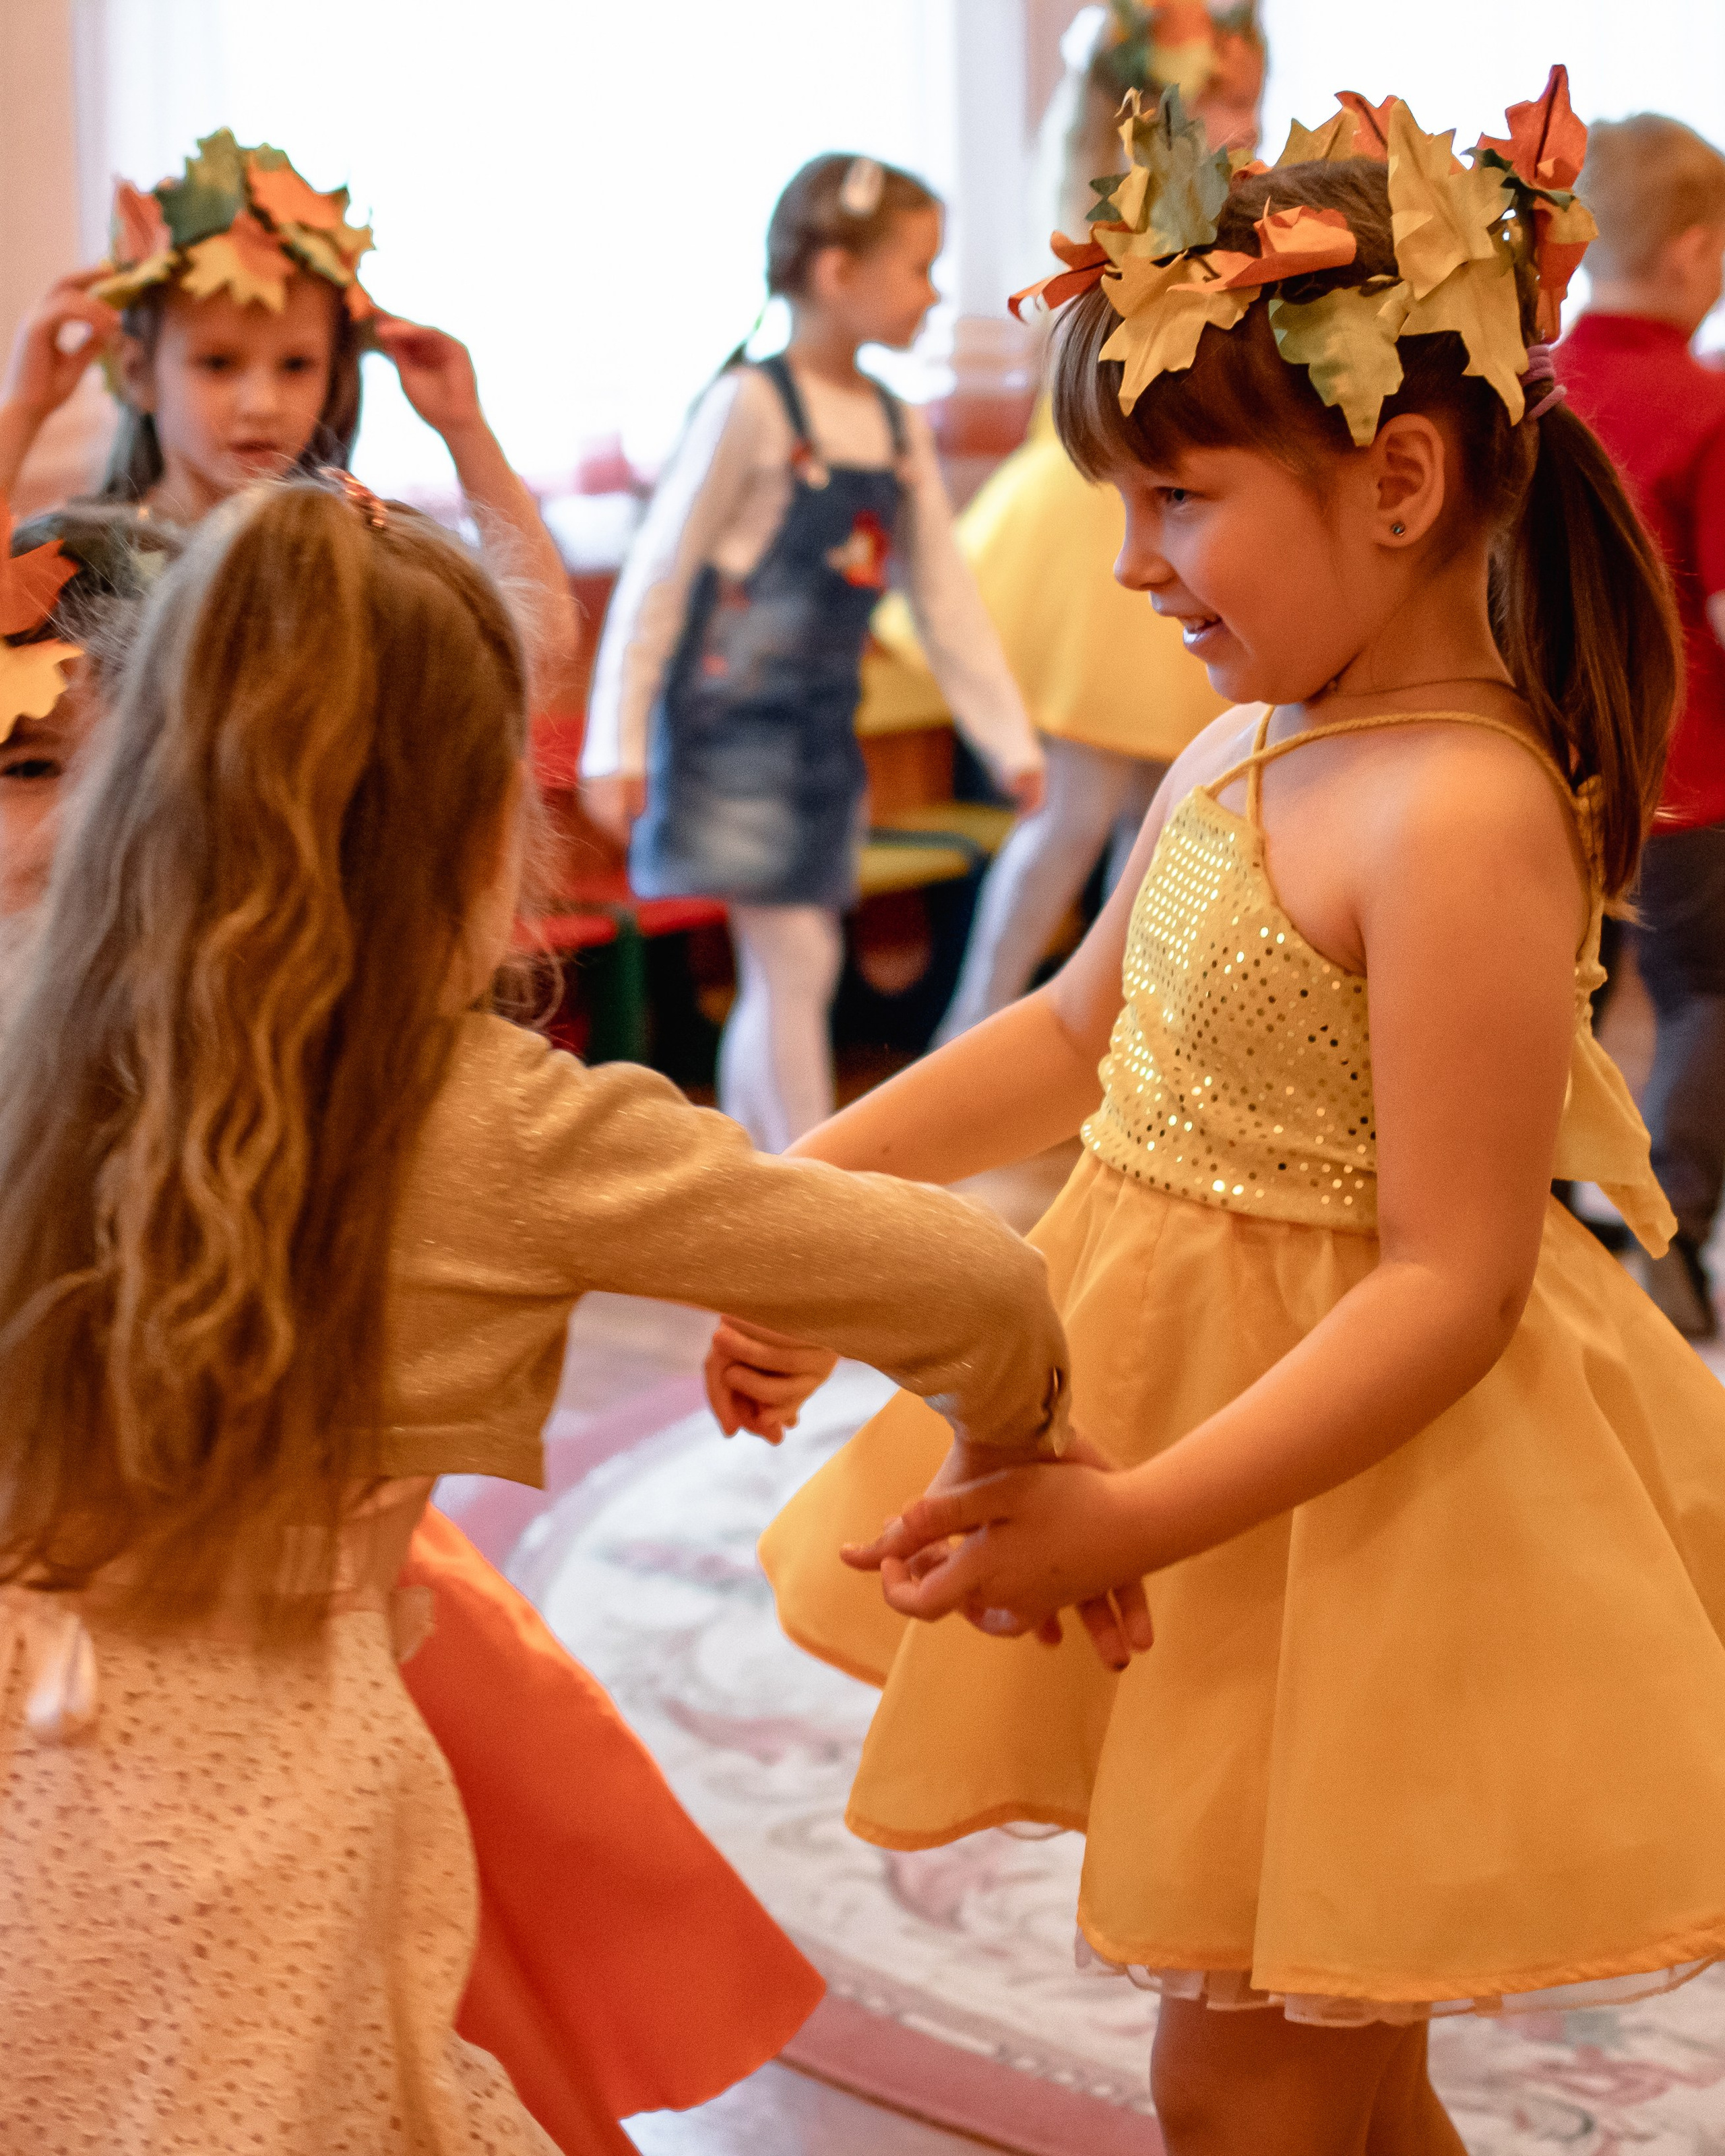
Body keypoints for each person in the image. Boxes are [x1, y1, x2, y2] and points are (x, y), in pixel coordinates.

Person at [725, 73, 1725, 2155]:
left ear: (1397, 477)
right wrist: (795, 1211)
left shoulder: (1453, 812)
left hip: (1338, 1508)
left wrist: (1132, 1514)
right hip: (1214, 1465)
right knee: (1316, 2068)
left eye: (1176, 502)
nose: (1131, 563)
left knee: (1250, 2076)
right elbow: (1071, 1036)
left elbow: (1449, 1282)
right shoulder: (1257, 741)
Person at [0, 478, 1074, 2150]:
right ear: (475, 821)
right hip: (274, 1800)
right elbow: (972, 1281)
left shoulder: (33, 1043)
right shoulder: (504, 1123)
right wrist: (1014, 1443)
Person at [579, 153, 1044, 1152]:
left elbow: (945, 597)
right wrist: (611, 747)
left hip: (824, 742)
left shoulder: (892, 424)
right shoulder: (749, 407)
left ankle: (768, 1171)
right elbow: (659, 581)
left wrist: (1006, 737)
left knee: (794, 963)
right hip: (731, 737)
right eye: (919, 269)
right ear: (838, 274)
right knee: (794, 957)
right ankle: (816, 1178)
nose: (932, 295)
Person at [861, 1, 1261, 1047]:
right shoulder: (1132, 219)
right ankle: (975, 1033)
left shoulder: (1217, 220)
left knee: (1162, 827)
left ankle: (1132, 1050)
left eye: (1252, 102)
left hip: (1171, 509)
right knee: (1079, 816)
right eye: (1227, 103)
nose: (1246, 124)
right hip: (1096, 528)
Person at [0, 127, 577, 705]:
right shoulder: (79, 558)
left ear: (334, 373)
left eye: (297, 364)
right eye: (218, 363)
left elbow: (540, 644)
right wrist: (21, 413)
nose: (262, 404)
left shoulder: (360, 560)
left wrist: (464, 428)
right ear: (137, 373)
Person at [1558, 113, 1725, 1338]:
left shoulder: (1524, 389)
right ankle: (1671, 1216)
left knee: (1552, 1007)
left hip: (1540, 771)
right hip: (1686, 778)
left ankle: (1541, 1230)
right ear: (1693, 255)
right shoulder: (1707, 407)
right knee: (1713, 991)